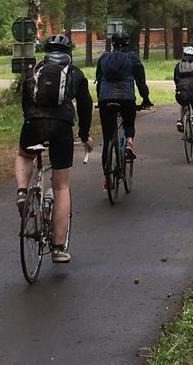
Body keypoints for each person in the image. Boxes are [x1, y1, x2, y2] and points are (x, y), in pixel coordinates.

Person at [15, 34, 93, 262]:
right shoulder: (75, 74)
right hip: (62, 128)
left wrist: (32, 120)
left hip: (33, 124)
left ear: (46, 52)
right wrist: (85, 134)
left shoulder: (32, 72)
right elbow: (86, 106)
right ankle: (58, 247)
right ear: (68, 52)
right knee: (61, 187)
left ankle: (22, 191)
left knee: (24, 155)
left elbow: (25, 103)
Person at [95, 32, 152, 183]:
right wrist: (146, 99)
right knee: (128, 124)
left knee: (108, 138)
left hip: (106, 98)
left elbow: (99, 81)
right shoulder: (132, 58)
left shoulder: (104, 57)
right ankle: (129, 142)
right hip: (127, 98)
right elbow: (141, 83)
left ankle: (107, 178)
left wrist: (100, 100)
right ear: (128, 42)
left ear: (113, 43)